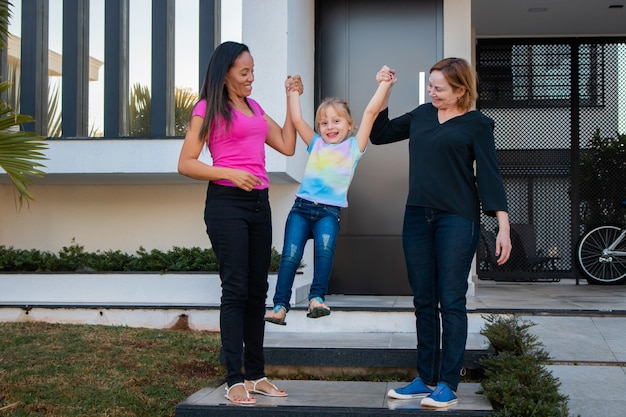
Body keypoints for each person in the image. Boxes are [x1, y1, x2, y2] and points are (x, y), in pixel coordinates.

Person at [371, 58, 512, 408]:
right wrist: (385, 88)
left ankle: (448, 383)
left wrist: (503, 226)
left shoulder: (478, 124)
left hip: (457, 218)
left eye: (439, 88)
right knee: (423, 300)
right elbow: (379, 134)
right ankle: (425, 378)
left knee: (450, 301)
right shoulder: (421, 115)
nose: (431, 92)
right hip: (417, 216)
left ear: (461, 90)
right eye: (430, 86)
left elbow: (490, 175)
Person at [177, 41, 303, 406]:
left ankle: (256, 374)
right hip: (226, 204)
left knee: (257, 291)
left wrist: (291, 98)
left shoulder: (255, 108)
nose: (251, 78)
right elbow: (186, 162)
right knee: (235, 290)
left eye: (252, 71)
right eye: (244, 72)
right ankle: (234, 379)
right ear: (226, 72)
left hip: (259, 204)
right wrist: (229, 172)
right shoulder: (208, 109)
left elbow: (286, 144)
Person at [264, 67, 397, 326]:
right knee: (290, 255)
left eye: (336, 121)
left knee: (324, 253)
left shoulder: (354, 147)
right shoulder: (316, 144)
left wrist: (383, 83)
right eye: (324, 123)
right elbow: (298, 120)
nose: (329, 127)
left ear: (349, 125)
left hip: (329, 211)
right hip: (301, 209)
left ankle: (316, 299)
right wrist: (292, 91)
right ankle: (280, 306)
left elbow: (370, 112)